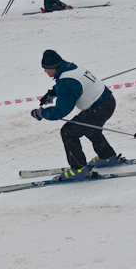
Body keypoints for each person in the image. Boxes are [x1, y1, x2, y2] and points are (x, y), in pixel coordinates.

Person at [30, 50, 119, 181]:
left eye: (46, 69)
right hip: (106, 102)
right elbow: (69, 84)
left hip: (99, 108)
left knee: (68, 132)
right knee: (91, 128)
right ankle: (107, 157)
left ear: (53, 68)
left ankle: (79, 169)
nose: (45, 71)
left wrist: (41, 113)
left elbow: (60, 111)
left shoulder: (67, 81)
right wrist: (52, 93)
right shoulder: (69, 67)